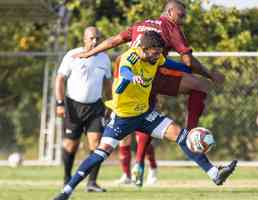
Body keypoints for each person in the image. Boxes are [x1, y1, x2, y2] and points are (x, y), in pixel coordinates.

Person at [53, 31, 237, 200]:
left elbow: (176, 65)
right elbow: (125, 73)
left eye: (160, 53)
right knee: (100, 154)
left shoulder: (155, 58)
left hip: (144, 114)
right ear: (143, 49)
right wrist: (130, 78)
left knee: (182, 136)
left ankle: (215, 174)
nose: (158, 56)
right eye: (155, 53)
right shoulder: (129, 59)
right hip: (123, 118)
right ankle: (66, 191)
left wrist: (203, 72)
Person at [74, 0, 224, 186]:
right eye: (181, 15)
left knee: (140, 119)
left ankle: (135, 168)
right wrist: (210, 75)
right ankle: (191, 136)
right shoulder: (171, 27)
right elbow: (188, 61)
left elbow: (114, 40)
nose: (183, 20)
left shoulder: (141, 24)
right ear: (170, 12)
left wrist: (90, 53)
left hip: (124, 72)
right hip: (148, 72)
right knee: (200, 86)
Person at [55, 26, 112, 192]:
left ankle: (92, 183)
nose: (95, 41)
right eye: (92, 38)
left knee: (97, 144)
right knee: (70, 145)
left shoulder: (104, 58)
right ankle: (67, 179)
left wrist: (110, 104)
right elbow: (59, 80)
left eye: (98, 38)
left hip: (95, 107)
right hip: (73, 106)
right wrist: (59, 103)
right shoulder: (72, 55)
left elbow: (108, 84)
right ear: (84, 39)